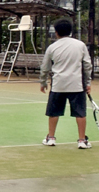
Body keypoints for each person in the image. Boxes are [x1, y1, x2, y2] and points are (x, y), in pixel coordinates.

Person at [40, 19, 93, 149]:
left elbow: (45, 67)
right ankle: (82, 140)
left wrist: (43, 82)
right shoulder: (80, 45)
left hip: (58, 85)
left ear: (56, 32)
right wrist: (88, 82)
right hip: (77, 85)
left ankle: (51, 138)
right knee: (80, 113)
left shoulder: (52, 47)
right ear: (70, 31)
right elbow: (87, 65)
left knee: (53, 112)